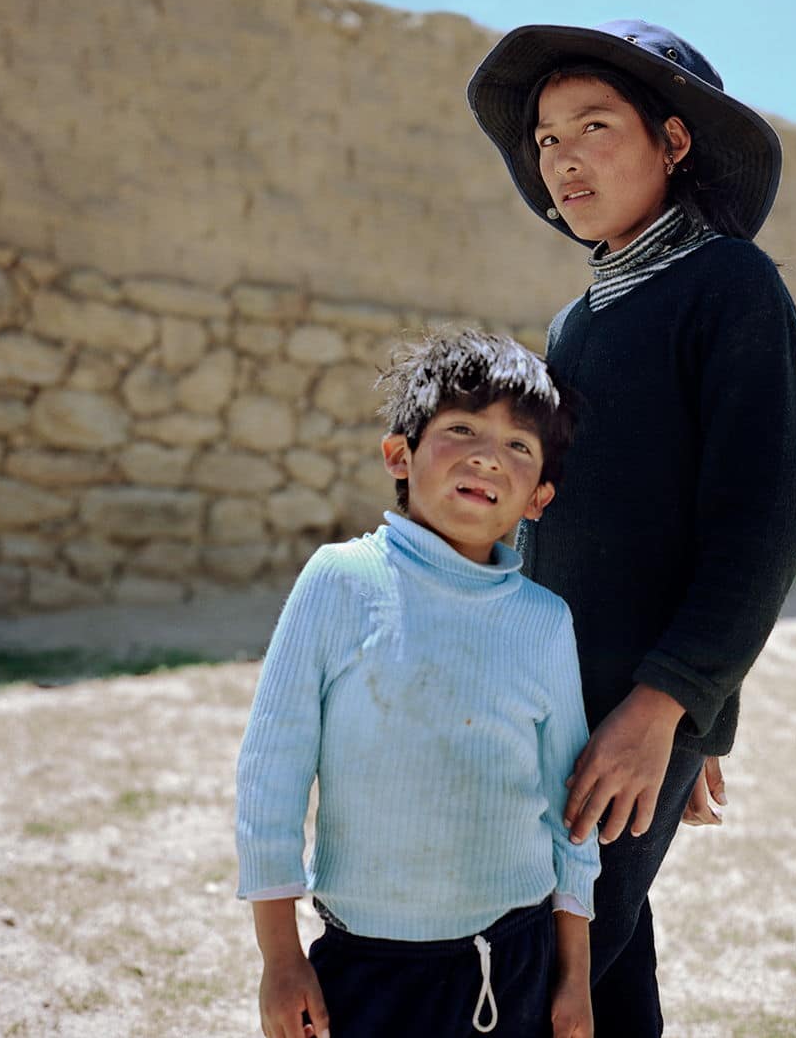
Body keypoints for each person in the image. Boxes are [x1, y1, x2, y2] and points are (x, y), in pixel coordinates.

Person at [467, 19, 796, 1035]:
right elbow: (571, 525)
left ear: (674, 141)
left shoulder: (734, 288)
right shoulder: (579, 322)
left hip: (631, 716)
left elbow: (755, 525)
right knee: (601, 963)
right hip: (553, 699)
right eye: (545, 140)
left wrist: (678, 708)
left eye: (594, 127)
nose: (564, 159)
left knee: (550, 960)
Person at [235, 329, 600, 1038]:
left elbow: (570, 811)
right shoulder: (342, 581)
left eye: (519, 447)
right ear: (398, 454)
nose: (487, 455)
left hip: (510, 964)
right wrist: (280, 958)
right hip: (368, 969)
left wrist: (574, 975)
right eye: (461, 428)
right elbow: (269, 775)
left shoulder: (544, 622)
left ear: (539, 497)